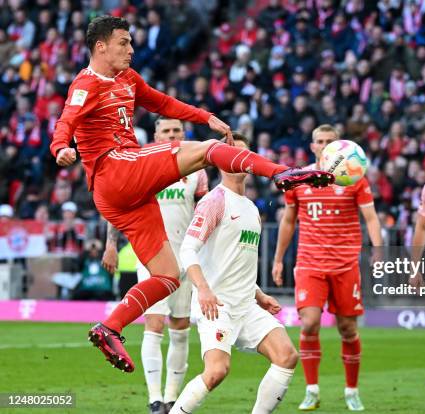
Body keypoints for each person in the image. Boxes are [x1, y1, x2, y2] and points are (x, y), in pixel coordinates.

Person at [50, 16, 333, 372]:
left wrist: (205, 116)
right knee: (208, 150)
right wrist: (60, 147)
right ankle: (285, 173)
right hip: (115, 169)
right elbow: (66, 120)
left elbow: (163, 103)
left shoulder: (127, 79)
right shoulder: (85, 83)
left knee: (168, 275)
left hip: (121, 195)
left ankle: (110, 327)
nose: (131, 49)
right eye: (124, 42)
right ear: (101, 46)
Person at [172, 133, 298, 414]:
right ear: (220, 161)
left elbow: (237, 261)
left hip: (246, 303)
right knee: (217, 371)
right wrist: (203, 289)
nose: (240, 159)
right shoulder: (214, 201)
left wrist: (260, 295)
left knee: (287, 356)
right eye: (232, 153)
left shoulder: (252, 208)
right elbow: (188, 250)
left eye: (245, 153)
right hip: (218, 305)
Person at [272, 124, 383, 411]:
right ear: (313, 147)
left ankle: (351, 391)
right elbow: (288, 220)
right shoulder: (299, 179)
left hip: (346, 264)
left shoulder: (354, 178)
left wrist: (378, 250)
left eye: (330, 141)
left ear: (339, 145)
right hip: (309, 262)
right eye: (320, 141)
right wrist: (277, 258)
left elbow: (370, 217)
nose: (324, 146)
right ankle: (311, 389)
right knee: (308, 323)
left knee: (347, 328)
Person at [101, 117, 208, 414]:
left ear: (183, 134)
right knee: (154, 322)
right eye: (166, 131)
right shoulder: (140, 162)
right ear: (157, 135)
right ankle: (155, 398)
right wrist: (111, 243)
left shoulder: (196, 169)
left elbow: (205, 209)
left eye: (176, 131)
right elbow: (118, 203)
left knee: (181, 326)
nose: (172, 134)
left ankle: (173, 398)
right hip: (151, 257)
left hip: (185, 257)